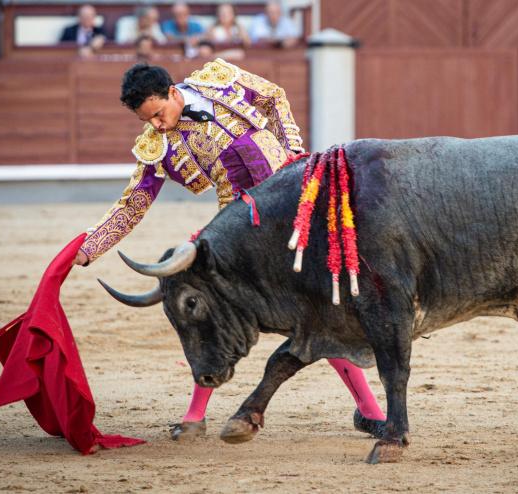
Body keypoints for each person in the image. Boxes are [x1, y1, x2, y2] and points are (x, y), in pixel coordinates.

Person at [74, 59, 387, 440]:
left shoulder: (218, 78)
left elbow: (273, 97)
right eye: (148, 120)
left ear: (173, 92)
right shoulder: (156, 146)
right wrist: (91, 246)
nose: (156, 125)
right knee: (211, 312)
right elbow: (133, 204)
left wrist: (294, 156)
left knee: (320, 309)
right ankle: (194, 417)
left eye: (158, 114)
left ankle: (369, 410)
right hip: (241, 229)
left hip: (295, 207)